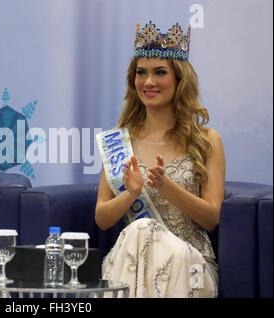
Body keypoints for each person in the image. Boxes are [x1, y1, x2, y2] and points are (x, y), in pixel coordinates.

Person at [95, 21, 225, 298]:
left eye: (160, 73)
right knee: (141, 228)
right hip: (133, 266)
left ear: (180, 80)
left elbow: (212, 218)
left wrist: (166, 186)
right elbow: (102, 219)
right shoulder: (119, 142)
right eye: (141, 73)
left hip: (190, 264)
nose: (149, 82)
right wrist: (130, 195)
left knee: (143, 228)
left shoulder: (207, 139)